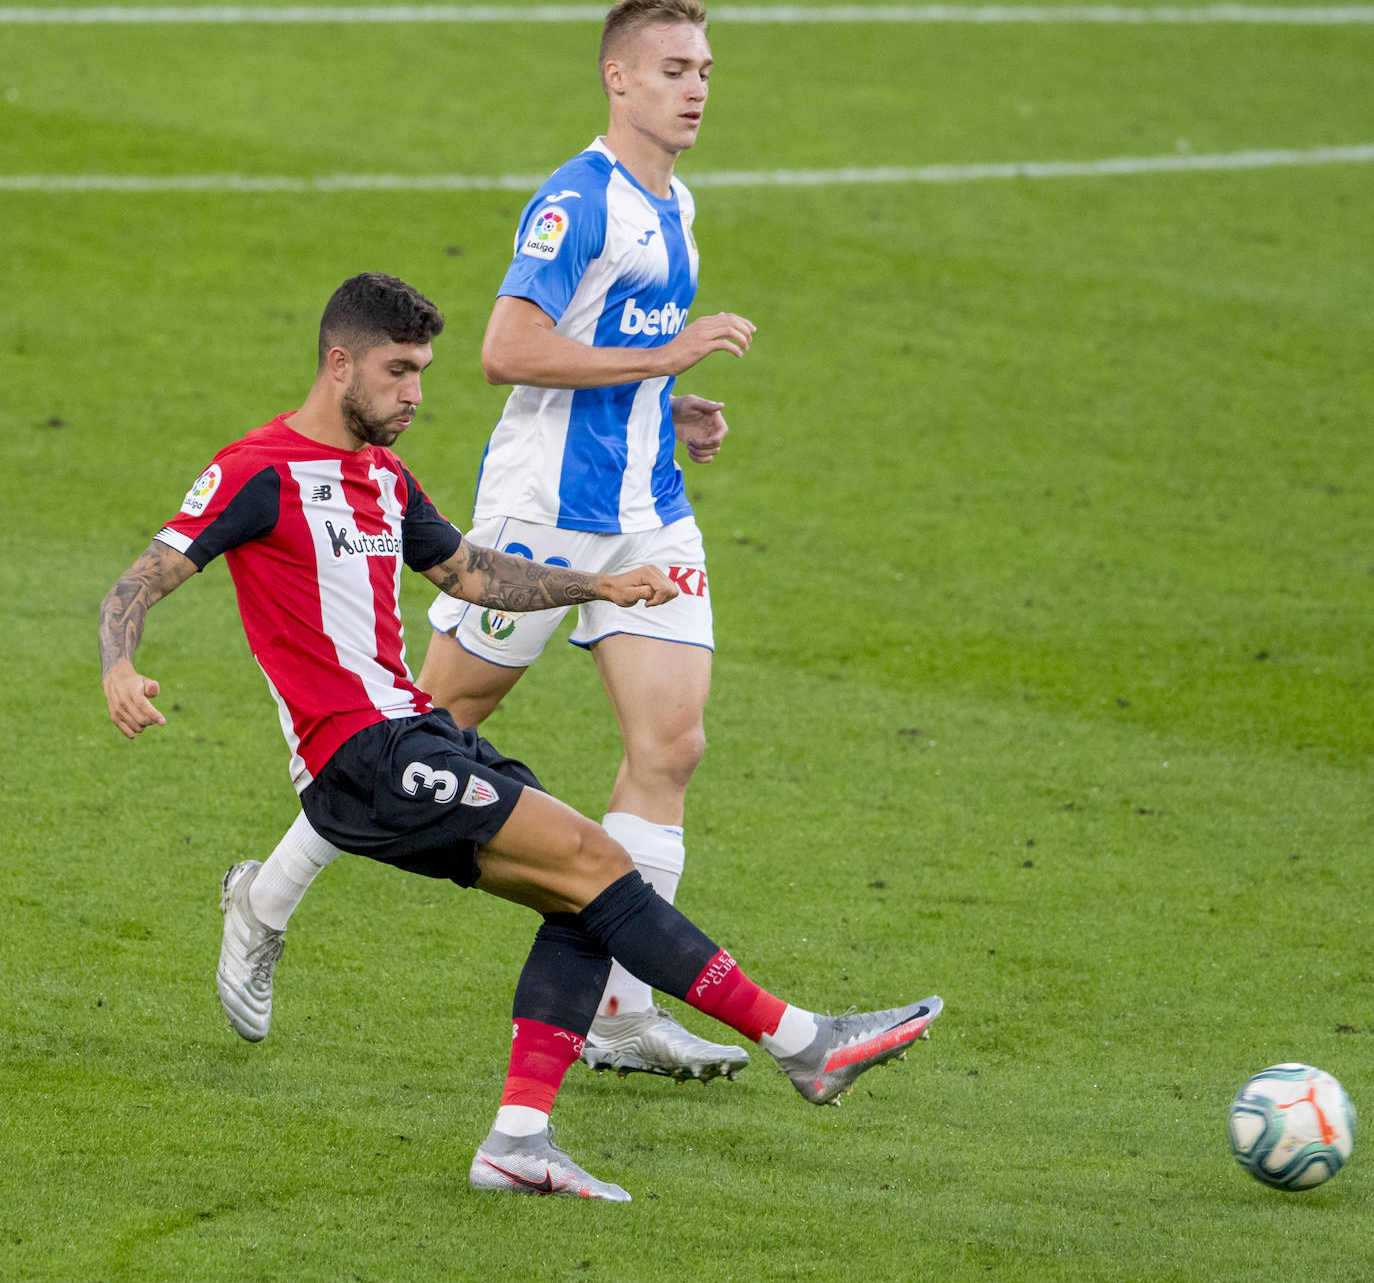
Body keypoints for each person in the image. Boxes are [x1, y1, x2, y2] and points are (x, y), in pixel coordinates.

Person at [99, 272, 942, 1200]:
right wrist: (119, 665)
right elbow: (140, 579)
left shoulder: (384, 477)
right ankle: (804, 1041)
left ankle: (518, 1142)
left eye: (422, 371)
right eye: (397, 371)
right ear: (339, 364)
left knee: (583, 894)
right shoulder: (259, 470)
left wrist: (599, 587)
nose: (415, 393)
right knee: (597, 858)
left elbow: (468, 572)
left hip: (417, 737)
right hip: (359, 759)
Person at [231, 0, 760, 1083]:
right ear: (618, 78)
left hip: (646, 509)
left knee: (671, 748)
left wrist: (671, 407)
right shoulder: (578, 203)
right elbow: (508, 349)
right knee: (421, 726)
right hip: (541, 515)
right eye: (673, 69)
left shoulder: (678, 204)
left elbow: (618, 345)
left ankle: (618, 1012)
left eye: (704, 69)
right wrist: (663, 365)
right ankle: (263, 896)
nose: (696, 86)